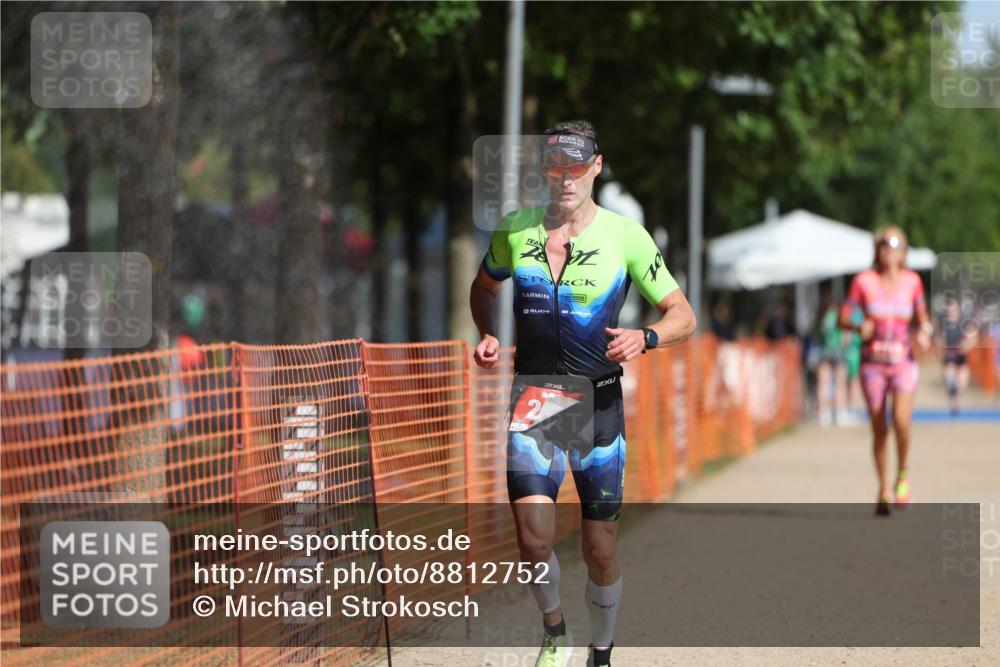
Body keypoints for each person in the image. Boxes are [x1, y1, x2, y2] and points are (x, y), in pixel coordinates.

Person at [469, 120, 696, 667]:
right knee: (533, 540)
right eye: (554, 168)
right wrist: (489, 333)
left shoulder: (626, 236)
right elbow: (483, 289)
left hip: (598, 403)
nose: (565, 178)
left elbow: (683, 316)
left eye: (576, 167)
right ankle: (553, 629)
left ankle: (602, 648)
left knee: (599, 550)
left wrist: (646, 338)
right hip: (538, 401)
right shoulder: (515, 230)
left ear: (595, 168)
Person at [839, 226, 931, 516]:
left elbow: (922, 317)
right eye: (884, 244)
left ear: (905, 251)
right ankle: (883, 488)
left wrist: (925, 331)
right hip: (873, 363)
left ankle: (902, 474)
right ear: (877, 249)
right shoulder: (863, 281)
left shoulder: (913, 282)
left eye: (897, 244)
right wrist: (857, 325)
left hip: (903, 361)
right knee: (879, 428)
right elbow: (843, 316)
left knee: (902, 420)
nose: (890, 249)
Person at [937, 299, 977, 417]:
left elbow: (972, 338)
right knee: (949, 379)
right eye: (949, 310)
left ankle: (955, 398)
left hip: (961, 358)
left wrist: (966, 345)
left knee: (961, 385)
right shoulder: (943, 325)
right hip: (949, 358)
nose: (951, 312)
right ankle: (954, 404)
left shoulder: (964, 323)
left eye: (954, 310)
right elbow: (939, 340)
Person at [815, 293, 847, 427]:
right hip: (838, 351)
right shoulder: (838, 316)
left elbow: (818, 335)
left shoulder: (821, 318)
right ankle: (840, 414)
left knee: (823, 384)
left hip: (824, 352)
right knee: (840, 384)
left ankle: (824, 414)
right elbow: (846, 336)